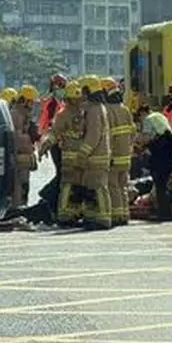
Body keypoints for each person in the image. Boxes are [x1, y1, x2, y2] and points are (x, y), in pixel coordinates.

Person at [38, 80, 85, 226]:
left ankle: (72, 212)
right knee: (66, 183)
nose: (78, 102)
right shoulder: (64, 113)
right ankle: (63, 213)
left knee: (74, 184)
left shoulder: (83, 112)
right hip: (68, 154)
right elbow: (54, 133)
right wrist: (45, 146)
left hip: (79, 155)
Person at [76, 76, 112, 230]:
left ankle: (103, 218)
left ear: (88, 91)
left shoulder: (93, 110)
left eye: (83, 91)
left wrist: (82, 153)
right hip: (98, 155)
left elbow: (93, 135)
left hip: (97, 156)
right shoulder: (98, 107)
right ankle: (93, 217)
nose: (81, 95)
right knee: (93, 188)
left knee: (98, 187)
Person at [102, 78, 133, 227]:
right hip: (126, 156)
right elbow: (132, 132)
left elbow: (108, 136)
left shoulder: (107, 111)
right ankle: (125, 214)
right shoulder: (124, 109)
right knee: (123, 186)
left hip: (113, 156)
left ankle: (117, 215)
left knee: (112, 185)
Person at [10, 85, 38, 207]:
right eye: (31, 102)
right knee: (18, 186)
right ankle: (17, 209)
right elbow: (17, 139)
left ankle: (21, 206)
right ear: (24, 100)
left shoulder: (23, 115)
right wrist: (29, 142)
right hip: (18, 159)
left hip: (23, 160)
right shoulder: (16, 115)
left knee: (24, 186)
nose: (32, 106)